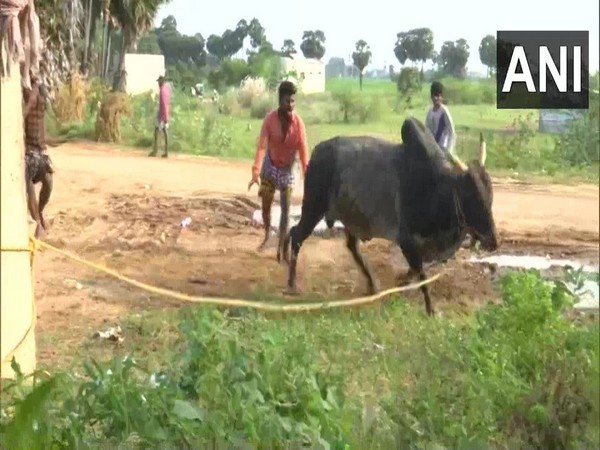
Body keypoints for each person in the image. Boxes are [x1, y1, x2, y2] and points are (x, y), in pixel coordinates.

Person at [248, 80, 309, 257]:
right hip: (270, 166)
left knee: (286, 210)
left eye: (292, 101)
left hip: (288, 169)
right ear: (280, 101)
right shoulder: (270, 120)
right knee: (265, 207)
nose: (290, 105)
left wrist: (307, 176)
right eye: (286, 101)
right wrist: (256, 171)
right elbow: (261, 146)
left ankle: (282, 245)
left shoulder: (298, 124)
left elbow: (304, 151)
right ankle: (267, 234)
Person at [23, 73, 53, 239]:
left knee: (49, 183)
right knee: (28, 184)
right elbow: (24, 113)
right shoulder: (29, 100)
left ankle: (40, 213)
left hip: (41, 153)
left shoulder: (40, 103)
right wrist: (31, 98)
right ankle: (37, 223)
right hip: (30, 153)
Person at [425, 81, 456, 164]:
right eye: (434, 96)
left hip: (443, 149)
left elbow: (452, 131)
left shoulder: (444, 111)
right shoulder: (429, 112)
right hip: (433, 148)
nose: (436, 98)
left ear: (442, 97)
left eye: (438, 96)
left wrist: (450, 150)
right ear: (431, 96)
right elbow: (426, 131)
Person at [149, 75, 170, 158]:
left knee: (157, 131)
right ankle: (165, 151)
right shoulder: (166, 89)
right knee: (164, 132)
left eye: (159, 82)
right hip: (163, 113)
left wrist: (164, 117)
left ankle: (156, 151)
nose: (158, 83)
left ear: (162, 82)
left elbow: (164, 104)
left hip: (162, 114)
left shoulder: (162, 91)